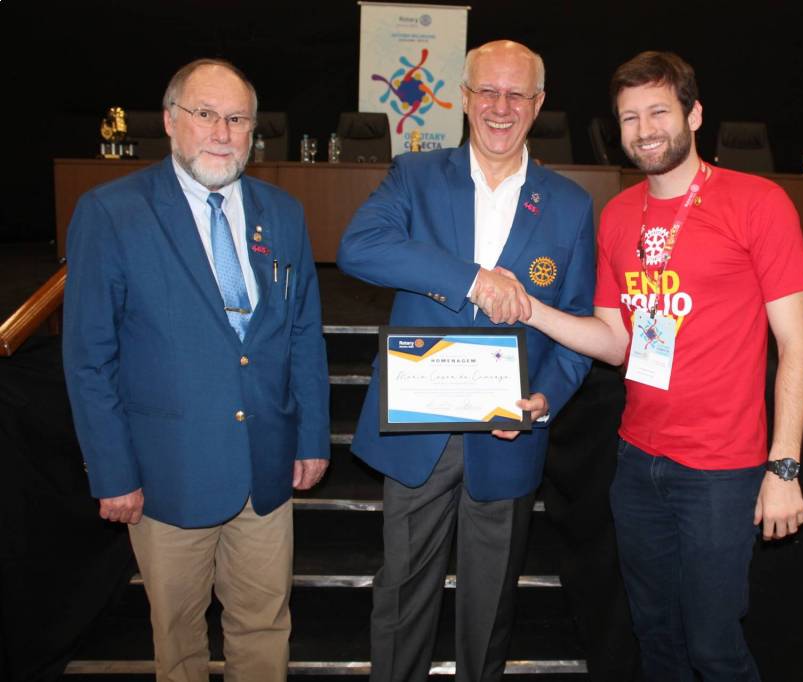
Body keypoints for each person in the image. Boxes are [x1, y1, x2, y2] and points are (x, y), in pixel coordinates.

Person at [520, 51, 803, 681]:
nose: (645, 129)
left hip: (721, 470)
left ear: (695, 114)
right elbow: (615, 341)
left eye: (659, 111)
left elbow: (799, 346)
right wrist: (531, 309)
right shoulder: (618, 215)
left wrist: (784, 467)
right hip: (637, 463)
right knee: (655, 637)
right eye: (630, 118)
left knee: (713, 648)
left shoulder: (758, 203)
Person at [62, 58, 330, 682]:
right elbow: (89, 358)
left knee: (264, 625)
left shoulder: (283, 213)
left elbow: (302, 334)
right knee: (178, 638)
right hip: (167, 474)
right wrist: (112, 472)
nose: (222, 132)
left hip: (266, 468)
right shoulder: (111, 213)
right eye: (205, 114)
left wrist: (312, 436)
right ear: (169, 120)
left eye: (237, 119)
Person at [337, 40, 594, 682]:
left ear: (538, 103)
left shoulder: (570, 205)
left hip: (508, 430)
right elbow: (359, 247)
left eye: (516, 94)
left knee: (490, 609)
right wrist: (473, 280)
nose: (500, 107)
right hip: (419, 427)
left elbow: (577, 328)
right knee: (402, 599)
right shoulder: (415, 175)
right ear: (463, 97)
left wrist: (546, 398)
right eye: (487, 91)